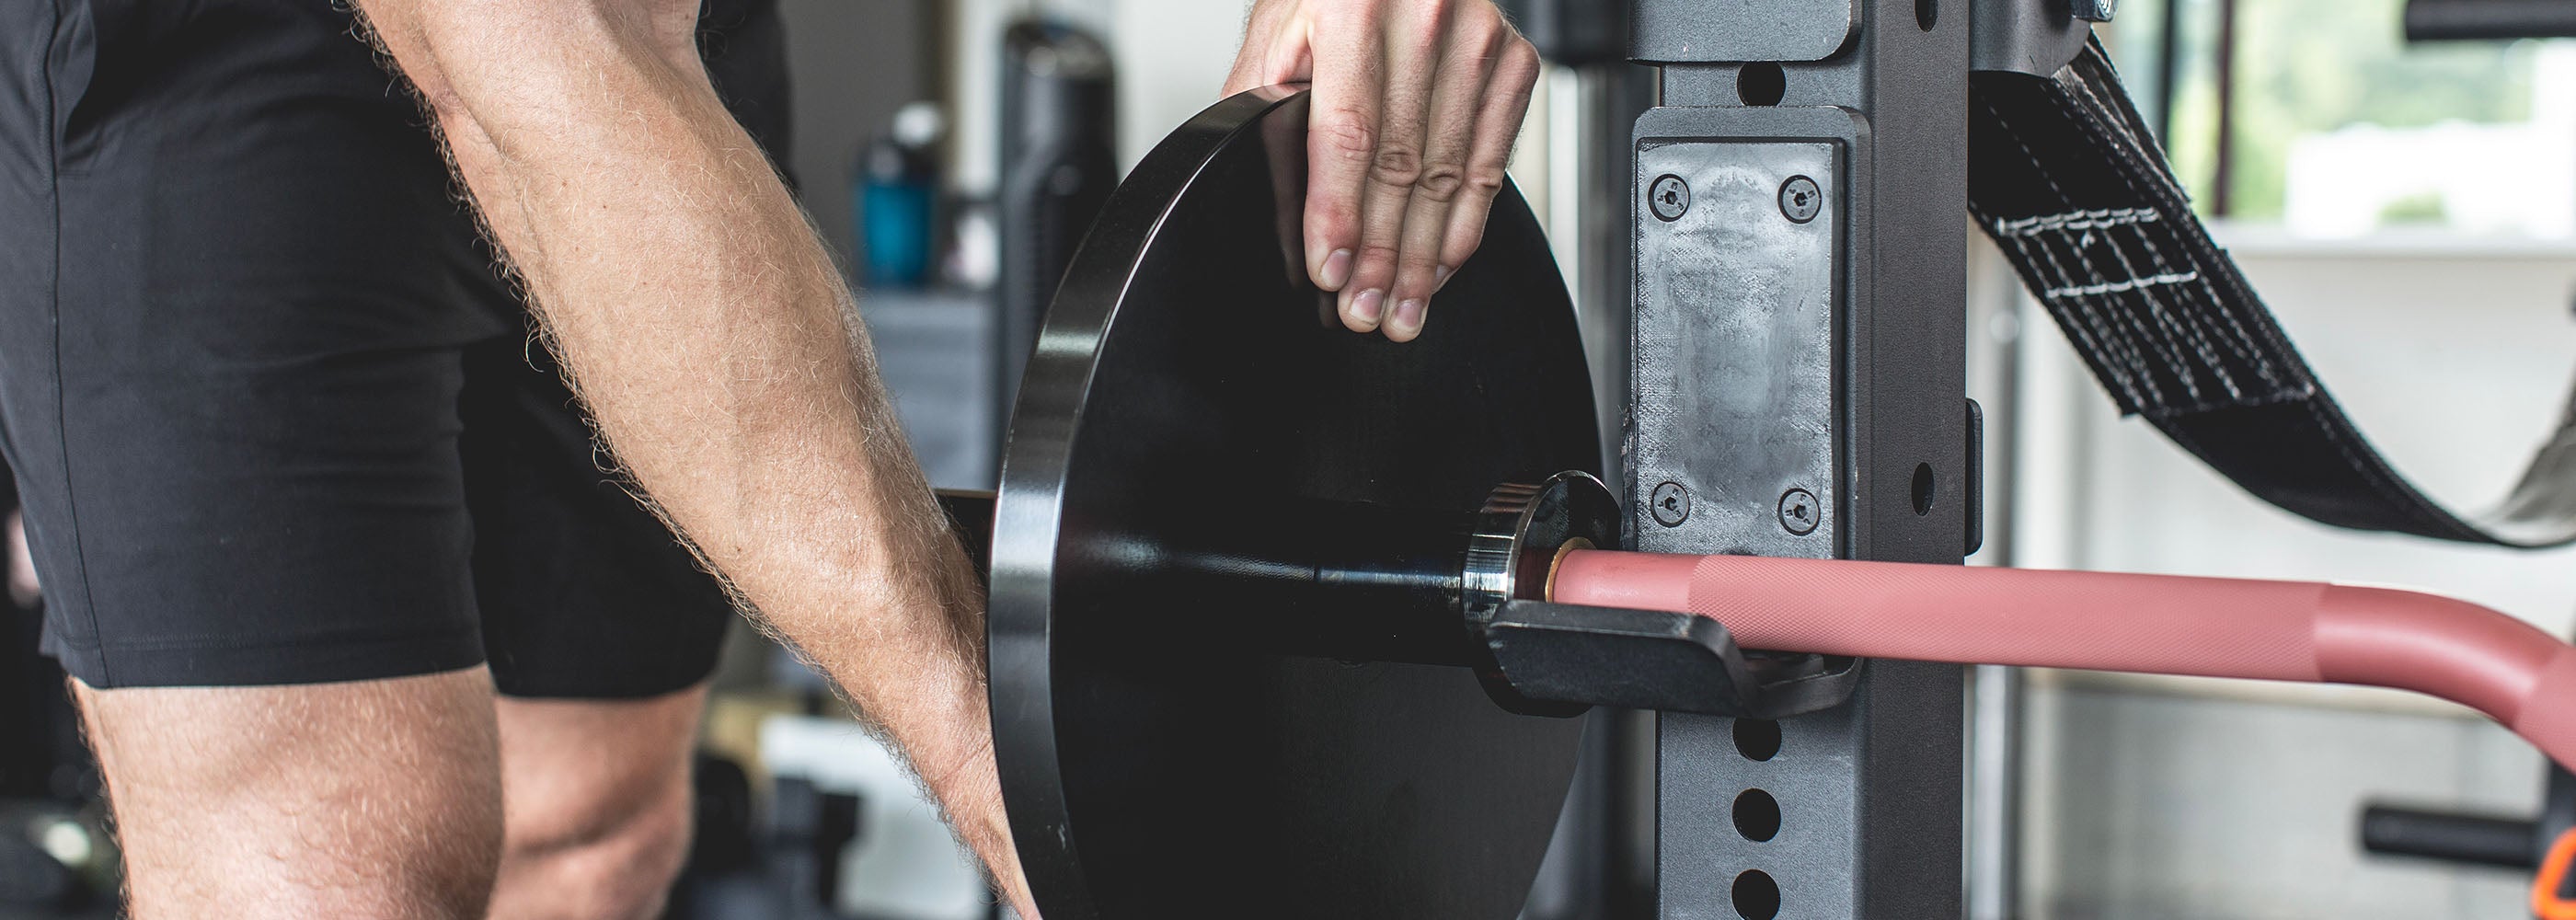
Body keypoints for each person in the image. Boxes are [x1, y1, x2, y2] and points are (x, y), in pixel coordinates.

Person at [0, 0, 1537, 915]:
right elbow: (534, 40)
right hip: (220, 56)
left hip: (662, 31)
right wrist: (1025, 771)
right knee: (338, 883)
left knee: (591, 838)